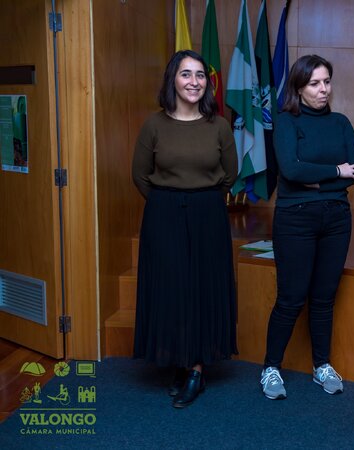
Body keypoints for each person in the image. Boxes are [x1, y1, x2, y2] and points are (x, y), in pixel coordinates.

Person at [132, 50, 238, 409]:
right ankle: (180, 360)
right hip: (163, 215)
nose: (194, 82)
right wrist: (169, 202)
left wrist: (199, 201)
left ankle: (196, 369)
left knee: (202, 288)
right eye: (186, 74)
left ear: (207, 83)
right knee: (172, 288)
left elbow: (230, 174)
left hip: (208, 214)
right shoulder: (154, 125)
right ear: (172, 80)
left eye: (200, 75)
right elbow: (140, 175)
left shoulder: (219, 126)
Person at [259, 54, 354, 400]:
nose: (323, 89)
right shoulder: (286, 121)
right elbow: (291, 170)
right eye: (315, 83)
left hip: (337, 218)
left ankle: (322, 365)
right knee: (291, 298)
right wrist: (335, 172)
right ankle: (271, 367)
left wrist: (316, 179)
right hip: (295, 219)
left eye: (327, 82)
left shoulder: (340, 122)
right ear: (299, 87)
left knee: (323, 298)